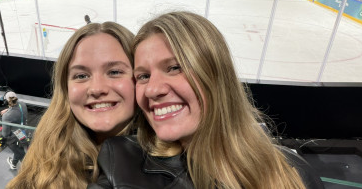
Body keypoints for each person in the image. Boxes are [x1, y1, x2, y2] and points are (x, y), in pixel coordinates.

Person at [89, 11, 324, 189]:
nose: (152, 90)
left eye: (174, 67)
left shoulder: (295, 174)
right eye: (143, 76)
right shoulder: (120, 162)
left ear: (215, 75)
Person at [7, 22, 137, 188]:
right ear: (65, 88)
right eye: (81, 75)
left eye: (114, 72)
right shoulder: (43, 159)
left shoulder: (176, 164)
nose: (97, 89)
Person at [0, 91, 28, 170]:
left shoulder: (6, 116)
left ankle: (26, 167)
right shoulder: (23, 104)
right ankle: (13, 163)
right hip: (23, 131)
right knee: (20, 149)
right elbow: (16, 109)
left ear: (6, 101)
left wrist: (6, 115)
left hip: (15, 135)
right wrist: (8, 110)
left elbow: (5, 134)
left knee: (20, 153)